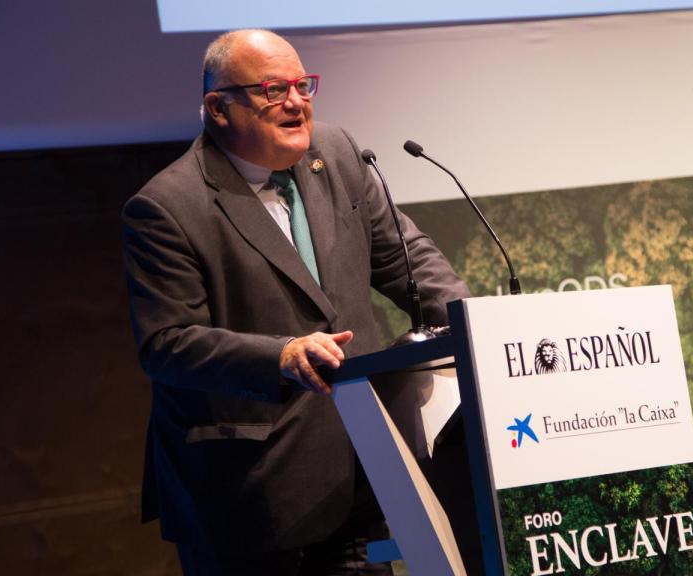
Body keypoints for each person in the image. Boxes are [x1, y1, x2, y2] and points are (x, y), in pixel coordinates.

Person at [121, 28, 470, 574]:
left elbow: (408, 258)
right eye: (272, 90)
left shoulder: (337, 154)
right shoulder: (166, 208)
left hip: (364, 468)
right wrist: (279, 356)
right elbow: (167, 344)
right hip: (252, 494)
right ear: (219, 107)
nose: (296, 102)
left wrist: (470, 325)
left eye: (303, 85)